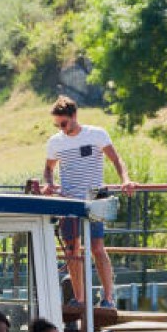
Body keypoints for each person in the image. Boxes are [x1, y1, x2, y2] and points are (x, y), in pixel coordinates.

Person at [41, 95, 137, 309]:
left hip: (95, 196)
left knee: (97, 247)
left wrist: (126, 180)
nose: (61, 128)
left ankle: (108, 299)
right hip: (69, 198)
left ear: (74, 116)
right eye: (57, 125)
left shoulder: (96, 134)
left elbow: (116, 159)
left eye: (64, 123)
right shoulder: (55, 142)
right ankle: (80, 299)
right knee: (72, 249)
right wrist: (48, 183)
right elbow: (48, 168)